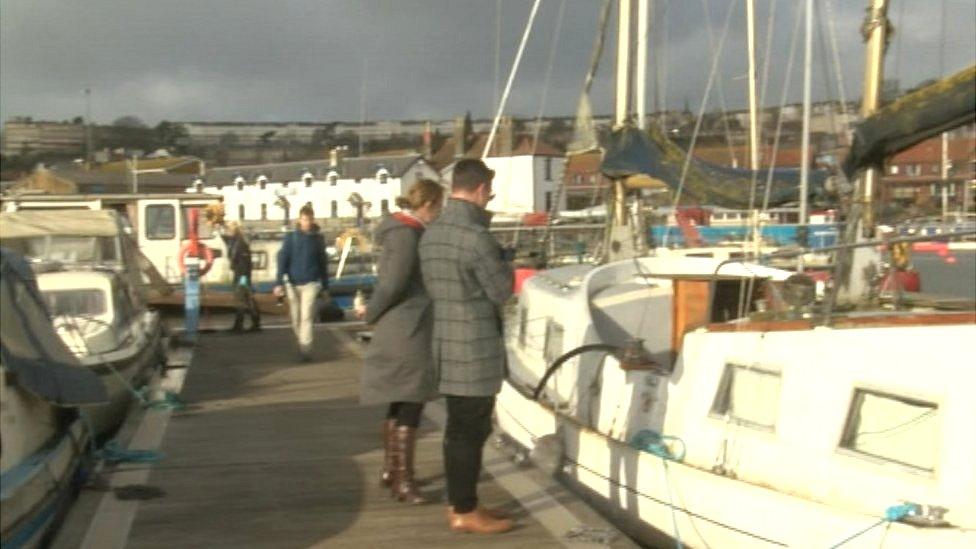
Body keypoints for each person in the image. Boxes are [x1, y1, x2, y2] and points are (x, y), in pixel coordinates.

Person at [418, 159, 514, 534]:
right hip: (474, 347)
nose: (490, 196)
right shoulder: (476, 238)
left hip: (445, 343)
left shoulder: (432, 233)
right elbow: (501, 291)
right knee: (471, 432)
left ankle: (461, 502)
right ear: (479, 190)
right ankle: (465, 508)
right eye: (489, 189)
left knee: (458, 429)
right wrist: (506, 262)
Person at [358, 179, 445, 505]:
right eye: (439, 206)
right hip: (410, 326)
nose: (440, 212)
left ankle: (391, 469)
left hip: (402, 325)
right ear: (428, 205)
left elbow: (393, 281)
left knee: (398, 397)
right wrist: (372, 313)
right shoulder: (409, 234)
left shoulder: (403, 231)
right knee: (412, 399)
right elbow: (394, 283)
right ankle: (403, 482)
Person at [273, 204, 329, 361]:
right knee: (296, 316)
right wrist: (279, 282)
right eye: (304, 219)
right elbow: (282, 259)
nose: (307, 223)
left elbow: (322, 263)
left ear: (313, 220)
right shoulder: (291, 237)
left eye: (309, 220)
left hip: (311, 282)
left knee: (307, 316)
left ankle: (305, 349)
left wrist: (325, 286)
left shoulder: (318, 239)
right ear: (299, 220)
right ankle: (301, 342)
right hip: (292, 283)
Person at [222, 222, 261, 332]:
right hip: (239, 272)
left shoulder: (241, 243)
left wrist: (243, 277)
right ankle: (254, 322)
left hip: (242, 274)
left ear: (234, 229)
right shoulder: (234, 241)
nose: (227, 230)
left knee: (242, 299)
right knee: (247, 299)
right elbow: (225, 239)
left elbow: (244, 261)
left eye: (229, 228)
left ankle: (240, 325)